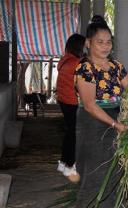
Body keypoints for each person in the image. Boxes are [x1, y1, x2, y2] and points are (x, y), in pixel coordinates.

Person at [72, 15, 128, 208]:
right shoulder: (85, 68)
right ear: (88, 43)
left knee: (114, 172)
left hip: (114, 118)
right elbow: (89, 105)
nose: (105, 46)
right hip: (91, 123)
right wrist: (117, 126)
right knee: (93, 173)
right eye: (99, 42)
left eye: (108, 42)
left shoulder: (116, 66)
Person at [56, 33, 86, 181]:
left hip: (64, 101)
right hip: (72, 102)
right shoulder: (76, 63)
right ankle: (70, 165)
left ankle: (63, 163)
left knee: (70, 132)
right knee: (74, 134)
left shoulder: (65, 60)